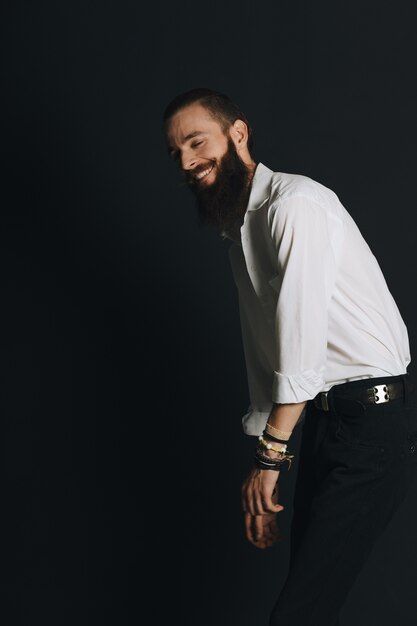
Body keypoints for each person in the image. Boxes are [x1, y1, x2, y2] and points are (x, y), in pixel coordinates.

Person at [162, 87, 417, 626]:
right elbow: (267, 352)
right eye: (176, 153)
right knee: (312, 607)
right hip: (330, 423)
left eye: (195, 142)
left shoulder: (293, 205)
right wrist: (264, 465)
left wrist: (269, 461)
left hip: (372, 422)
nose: (186, 162)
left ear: (238, 134)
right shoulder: (241, 236)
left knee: (301, 613)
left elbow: (300, 348)